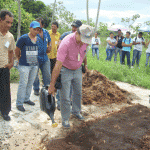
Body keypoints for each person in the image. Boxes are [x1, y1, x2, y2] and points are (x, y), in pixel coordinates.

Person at [48, 24, 94, 128]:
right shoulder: (66, 43)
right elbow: (58, 65)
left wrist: (85, 65)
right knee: (65, 97)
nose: (84, 42)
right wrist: (52, 84)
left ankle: (76, 112)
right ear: (77, 33)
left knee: (78, 92)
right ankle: (65, 119)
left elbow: (84, 54)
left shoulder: (85, 43)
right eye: (83, 39)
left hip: (77, 70)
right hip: (65, 70)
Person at [56, 20, 82, 111]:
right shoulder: (65, 35)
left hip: (74, 65)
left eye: (76, 27)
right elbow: (58, 47)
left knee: (70, 86)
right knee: (62, 85)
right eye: (73, 26)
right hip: (64, 64)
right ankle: (59, 103)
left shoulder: (81, 38)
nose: (74, 28)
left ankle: (68, 100)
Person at [15, 21, 41, 112]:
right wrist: (18, 58)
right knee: (23, 83)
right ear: (30, 28)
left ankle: (26, 99)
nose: (36, 31)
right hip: (24, 65)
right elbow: (17, 49)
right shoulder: (23, 38)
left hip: (34, 65)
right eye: (34, 29)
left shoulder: (38, 39)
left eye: (38, 30)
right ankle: (19, 103)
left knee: (30, 82)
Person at [0, 10, 15, 121]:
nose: (9, 25)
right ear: (0, 20)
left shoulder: (10, 37)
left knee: (5, 90)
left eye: (11, 23)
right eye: (7, 22)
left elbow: (11, 51)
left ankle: (5, 112)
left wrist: (11, 62)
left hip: (4, 68)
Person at [33, 18, 51, 96]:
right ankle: (36, 89)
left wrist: (49, 46)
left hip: (44, 57)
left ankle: (46, 88)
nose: (37, 26)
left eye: (39, 24)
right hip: (35, 57)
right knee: (35, 75)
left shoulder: (46, 32)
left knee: (47, 74)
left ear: (43, 25)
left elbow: (49, 40)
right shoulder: (33, 33)